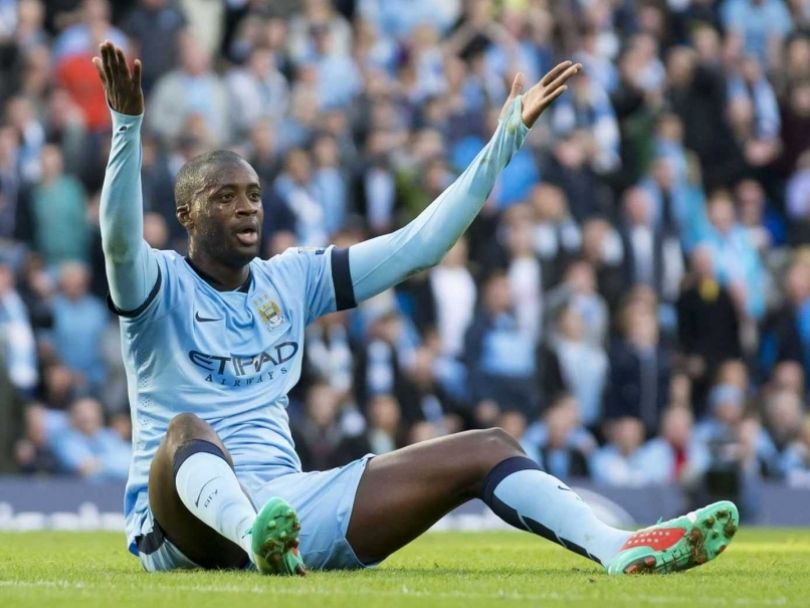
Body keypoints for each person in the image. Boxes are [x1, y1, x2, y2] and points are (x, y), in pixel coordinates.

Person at [94, 41, 737, 578]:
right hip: (182, 524)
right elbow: (120, 242)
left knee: (488, 446)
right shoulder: (157, 283)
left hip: (289, 507)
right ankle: (255, 537)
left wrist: (504, 140)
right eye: (225, 196)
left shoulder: (290, 278)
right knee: (187, 430)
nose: (247, 207)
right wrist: (127, 128)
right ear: (186, 215)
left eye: (255, 194)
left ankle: (617, 547)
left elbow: (418, 247)